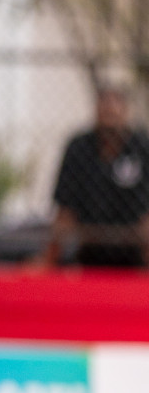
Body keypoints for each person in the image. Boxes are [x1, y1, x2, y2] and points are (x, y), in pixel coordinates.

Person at [47, 86, 149, 268]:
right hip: (88, 244)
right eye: (105, 107)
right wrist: (49, 258)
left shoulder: (141, 147)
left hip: (136, 246)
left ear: (126, 112)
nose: (110, 112)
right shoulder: (79, 148)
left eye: (115, 108)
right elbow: (65, 208)